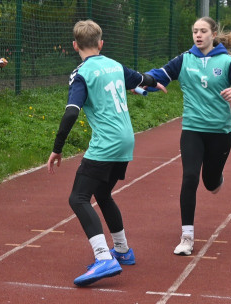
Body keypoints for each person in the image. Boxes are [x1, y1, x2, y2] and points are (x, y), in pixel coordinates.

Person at [47, 19, 163, 286]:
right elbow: (144, 79)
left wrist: (57, 148)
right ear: (101, 44)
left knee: (78, 198)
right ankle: (122, 250)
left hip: (107, 143)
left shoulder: (81, 73)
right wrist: (155, 84)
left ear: (75, 45)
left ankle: (103, 257)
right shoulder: (115, 65)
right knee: (102, 193)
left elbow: (71, 112)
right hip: (126, 141)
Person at [146, 17, 231, 255]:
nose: (198, 35)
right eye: (195, 31)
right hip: (192, 129)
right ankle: (187, 236)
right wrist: (140, 83)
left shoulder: (227, 62)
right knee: (190, 177)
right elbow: (159, 74)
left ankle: (216, 178)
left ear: (213, 34)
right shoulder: (185, 59)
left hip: (219, 131)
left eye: (203, 31)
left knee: (210, 182)